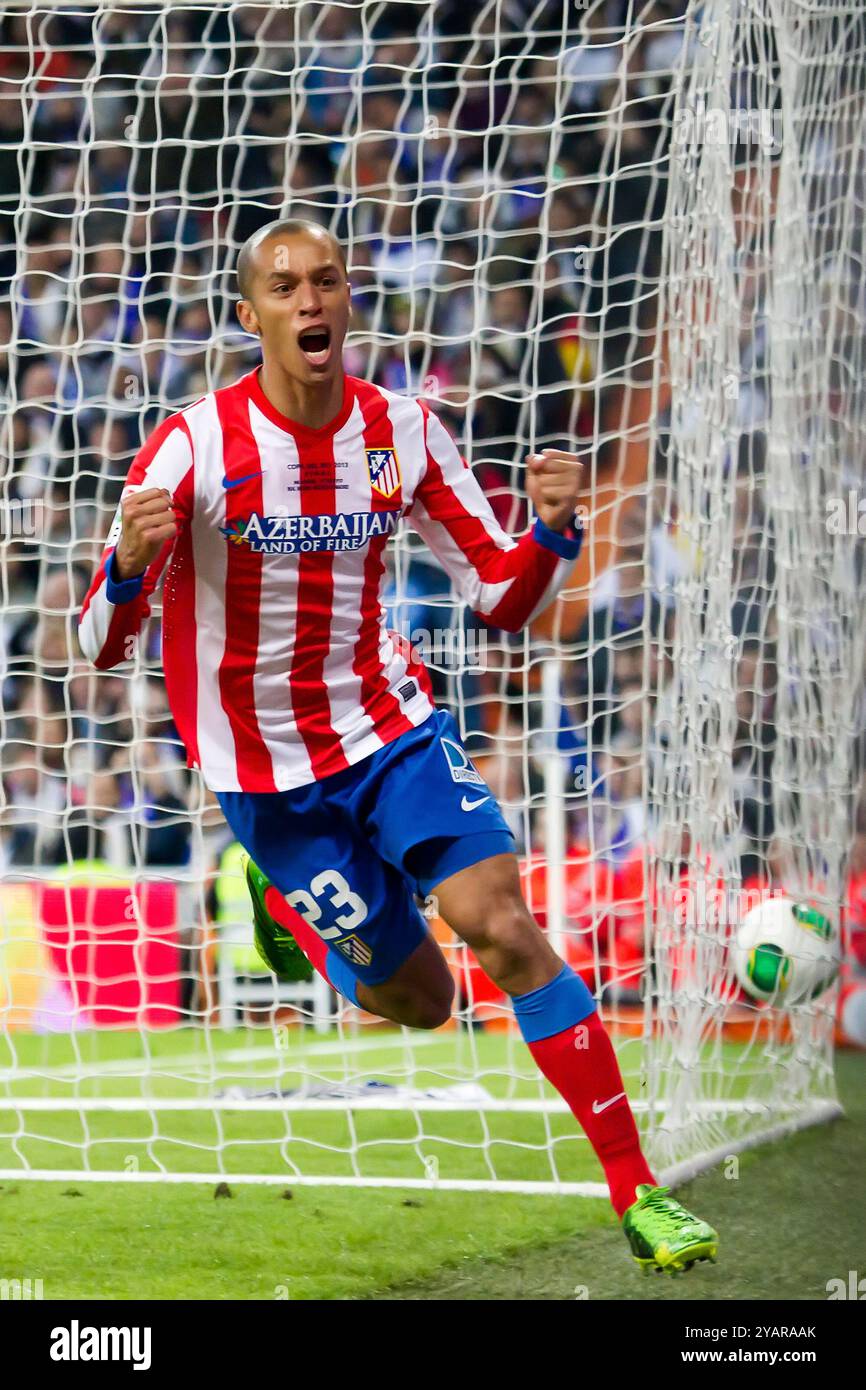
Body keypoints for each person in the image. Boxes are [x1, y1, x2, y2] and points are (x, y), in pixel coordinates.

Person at [78, 217, 718, 1272]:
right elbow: (100, 646)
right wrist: (133, 564)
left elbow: (501, 599)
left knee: (501, 927)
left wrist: (555, 533)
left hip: (388, 731)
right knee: (425, 1003)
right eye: (283, 287)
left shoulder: (405, 432)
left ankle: (635, 1189)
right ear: (252, 317)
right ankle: (293, 909)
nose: (310, 300)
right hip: (266, 781)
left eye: (325, 280)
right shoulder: (192, 447)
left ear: (347, 297)